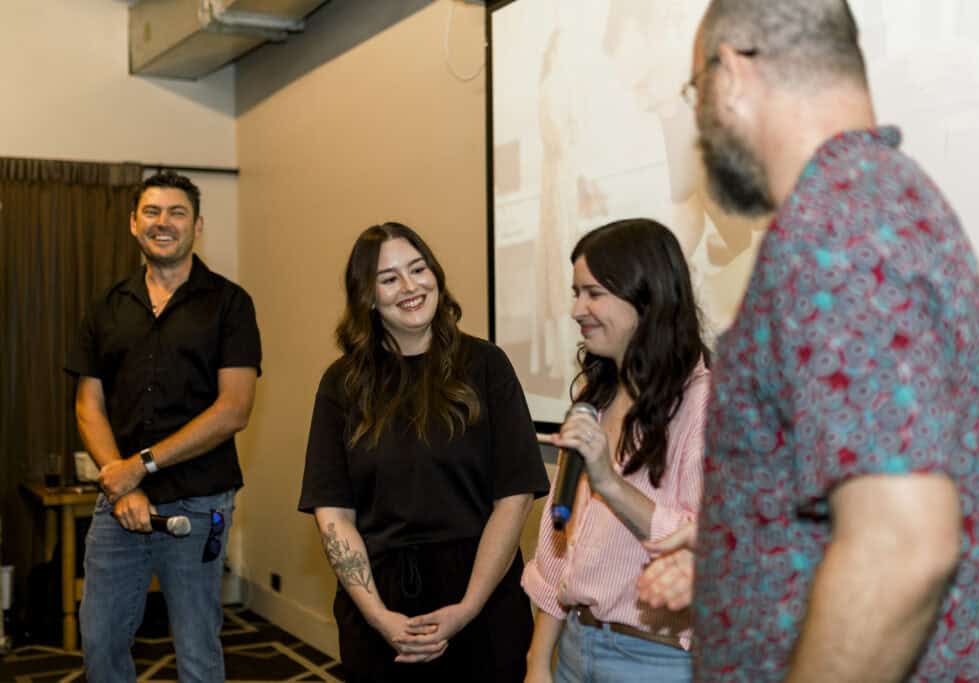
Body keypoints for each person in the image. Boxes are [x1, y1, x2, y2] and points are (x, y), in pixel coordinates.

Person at [642, 1, 979, 680]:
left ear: (732, 74)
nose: (699, 124)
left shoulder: (836, 227)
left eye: (696, 93)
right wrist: (743, 551)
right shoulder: (877, 199)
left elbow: (903, 546)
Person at [297, 222, 549, 683]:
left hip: (482, 597)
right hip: (379, 604)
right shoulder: (342, 383)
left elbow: (514, 498)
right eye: (389, 278)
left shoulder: (487, 365)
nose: (410, 286)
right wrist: (379, 617)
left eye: (418, 269)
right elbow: (333, 514)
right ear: (367, 297)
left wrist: (468, 607)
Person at [66, 170, 261, 683]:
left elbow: (234, 409)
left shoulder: (230, 304)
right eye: (151, 211)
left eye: (177, 212)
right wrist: (122, 480)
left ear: (198, 226)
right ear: (134, 223)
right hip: (119, 504)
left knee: (197, 651)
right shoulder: (106, 307)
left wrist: (141, 466)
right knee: (100, 643)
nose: (163, 222)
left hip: (200, 503)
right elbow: (88, 406)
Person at [522, 218, 711, 683]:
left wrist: (610, 483)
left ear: (646, 297)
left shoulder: (706, 405)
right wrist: (537, 661)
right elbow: (558, 540)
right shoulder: (596, 394)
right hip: (574, 645)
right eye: (575, 293)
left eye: (593, 293)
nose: (576, 310)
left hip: (656, 662)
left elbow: (711, 543)